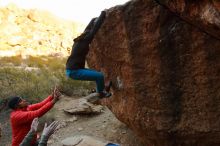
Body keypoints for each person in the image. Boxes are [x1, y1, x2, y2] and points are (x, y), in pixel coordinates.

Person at [66, 10, 112, 98]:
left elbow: (88, 29)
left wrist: (93, 19)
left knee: (97, 74)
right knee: (99, 76)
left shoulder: (79, 40)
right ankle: (101, 93)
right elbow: (95, 29)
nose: (89, 34)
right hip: (74, 72)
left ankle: (101, 89)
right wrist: (103, 14)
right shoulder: (85, 40)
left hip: (75, 69)